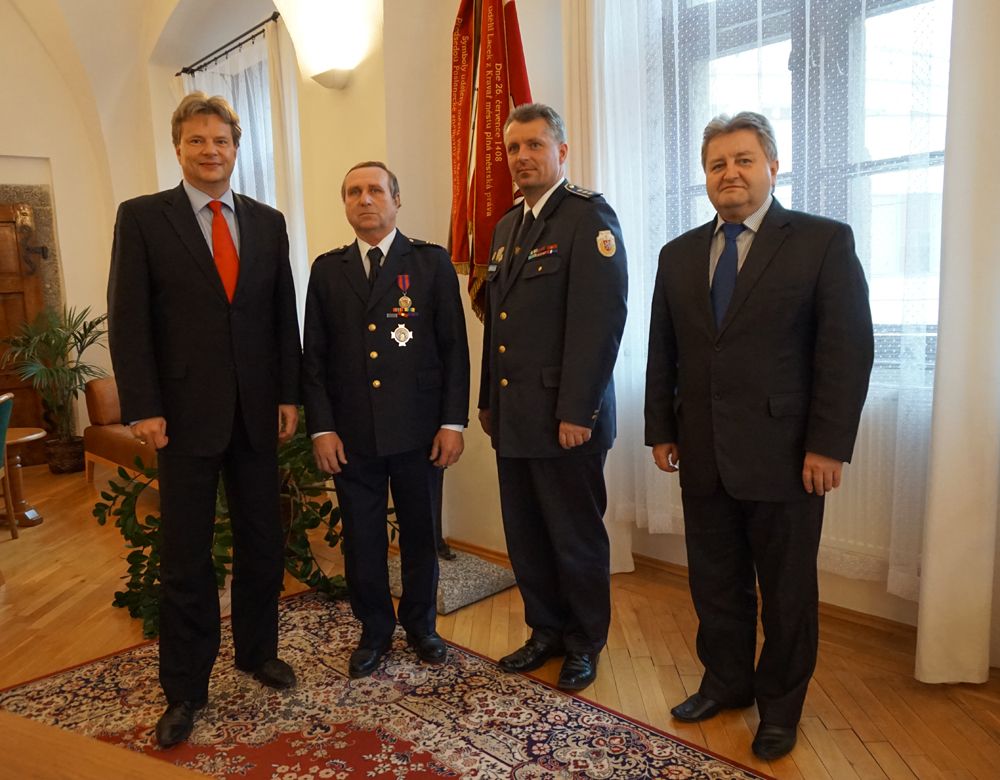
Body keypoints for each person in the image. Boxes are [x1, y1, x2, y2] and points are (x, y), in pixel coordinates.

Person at [644, 111, 874, 760]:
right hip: (702, 452)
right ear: (705, 176)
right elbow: (665, 349)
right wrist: (661, 428)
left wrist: (828, 445)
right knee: (715, 583)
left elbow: (846, 351)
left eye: (743, 160)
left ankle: (779, 708)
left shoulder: (822, 242)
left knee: (787, 593)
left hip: (788, 456)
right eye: (717, 164)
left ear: (772, 166)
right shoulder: (678, 254)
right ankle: (726, 683)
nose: (730, 173)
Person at [108, 92, 302, 748]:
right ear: (178, 147)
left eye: (221, 140)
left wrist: (288, 394)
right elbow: (129, 319)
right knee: (187, 557)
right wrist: (143, 405)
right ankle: (185, 688)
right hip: (182, 418)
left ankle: (257, 652)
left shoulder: (268, 222)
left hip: (256, 413)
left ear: (236, 148)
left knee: (263, 543)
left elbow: (281, 316)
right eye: (197, 140)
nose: (210, 150)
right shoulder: (143, 218)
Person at [478, 103, 628, 692]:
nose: (522, 157)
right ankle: (544, 630)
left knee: (574, 536)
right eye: (513, 148)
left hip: (567, 418)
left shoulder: (587, 216)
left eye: (535, 145)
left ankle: (584, 642)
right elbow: (497, 326)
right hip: (514, 416)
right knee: (527, 535)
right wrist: (487, 399)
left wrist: (577, 411)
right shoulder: (506, 226)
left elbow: (600, 322)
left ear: (561, 151)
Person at [302, 161, 470, 679]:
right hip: (353, 434)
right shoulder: (327, 271)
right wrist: (322, 428)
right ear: (345, 204)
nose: (365, 199)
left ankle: (421, 626)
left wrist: (453, 423)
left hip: (420, 431)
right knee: (363, 538)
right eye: (354, 192)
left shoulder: (429, 263)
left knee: (421, 533)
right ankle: (374, 629)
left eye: (375, 190)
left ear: (396, 200)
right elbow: (315, 360)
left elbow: (454, 350)